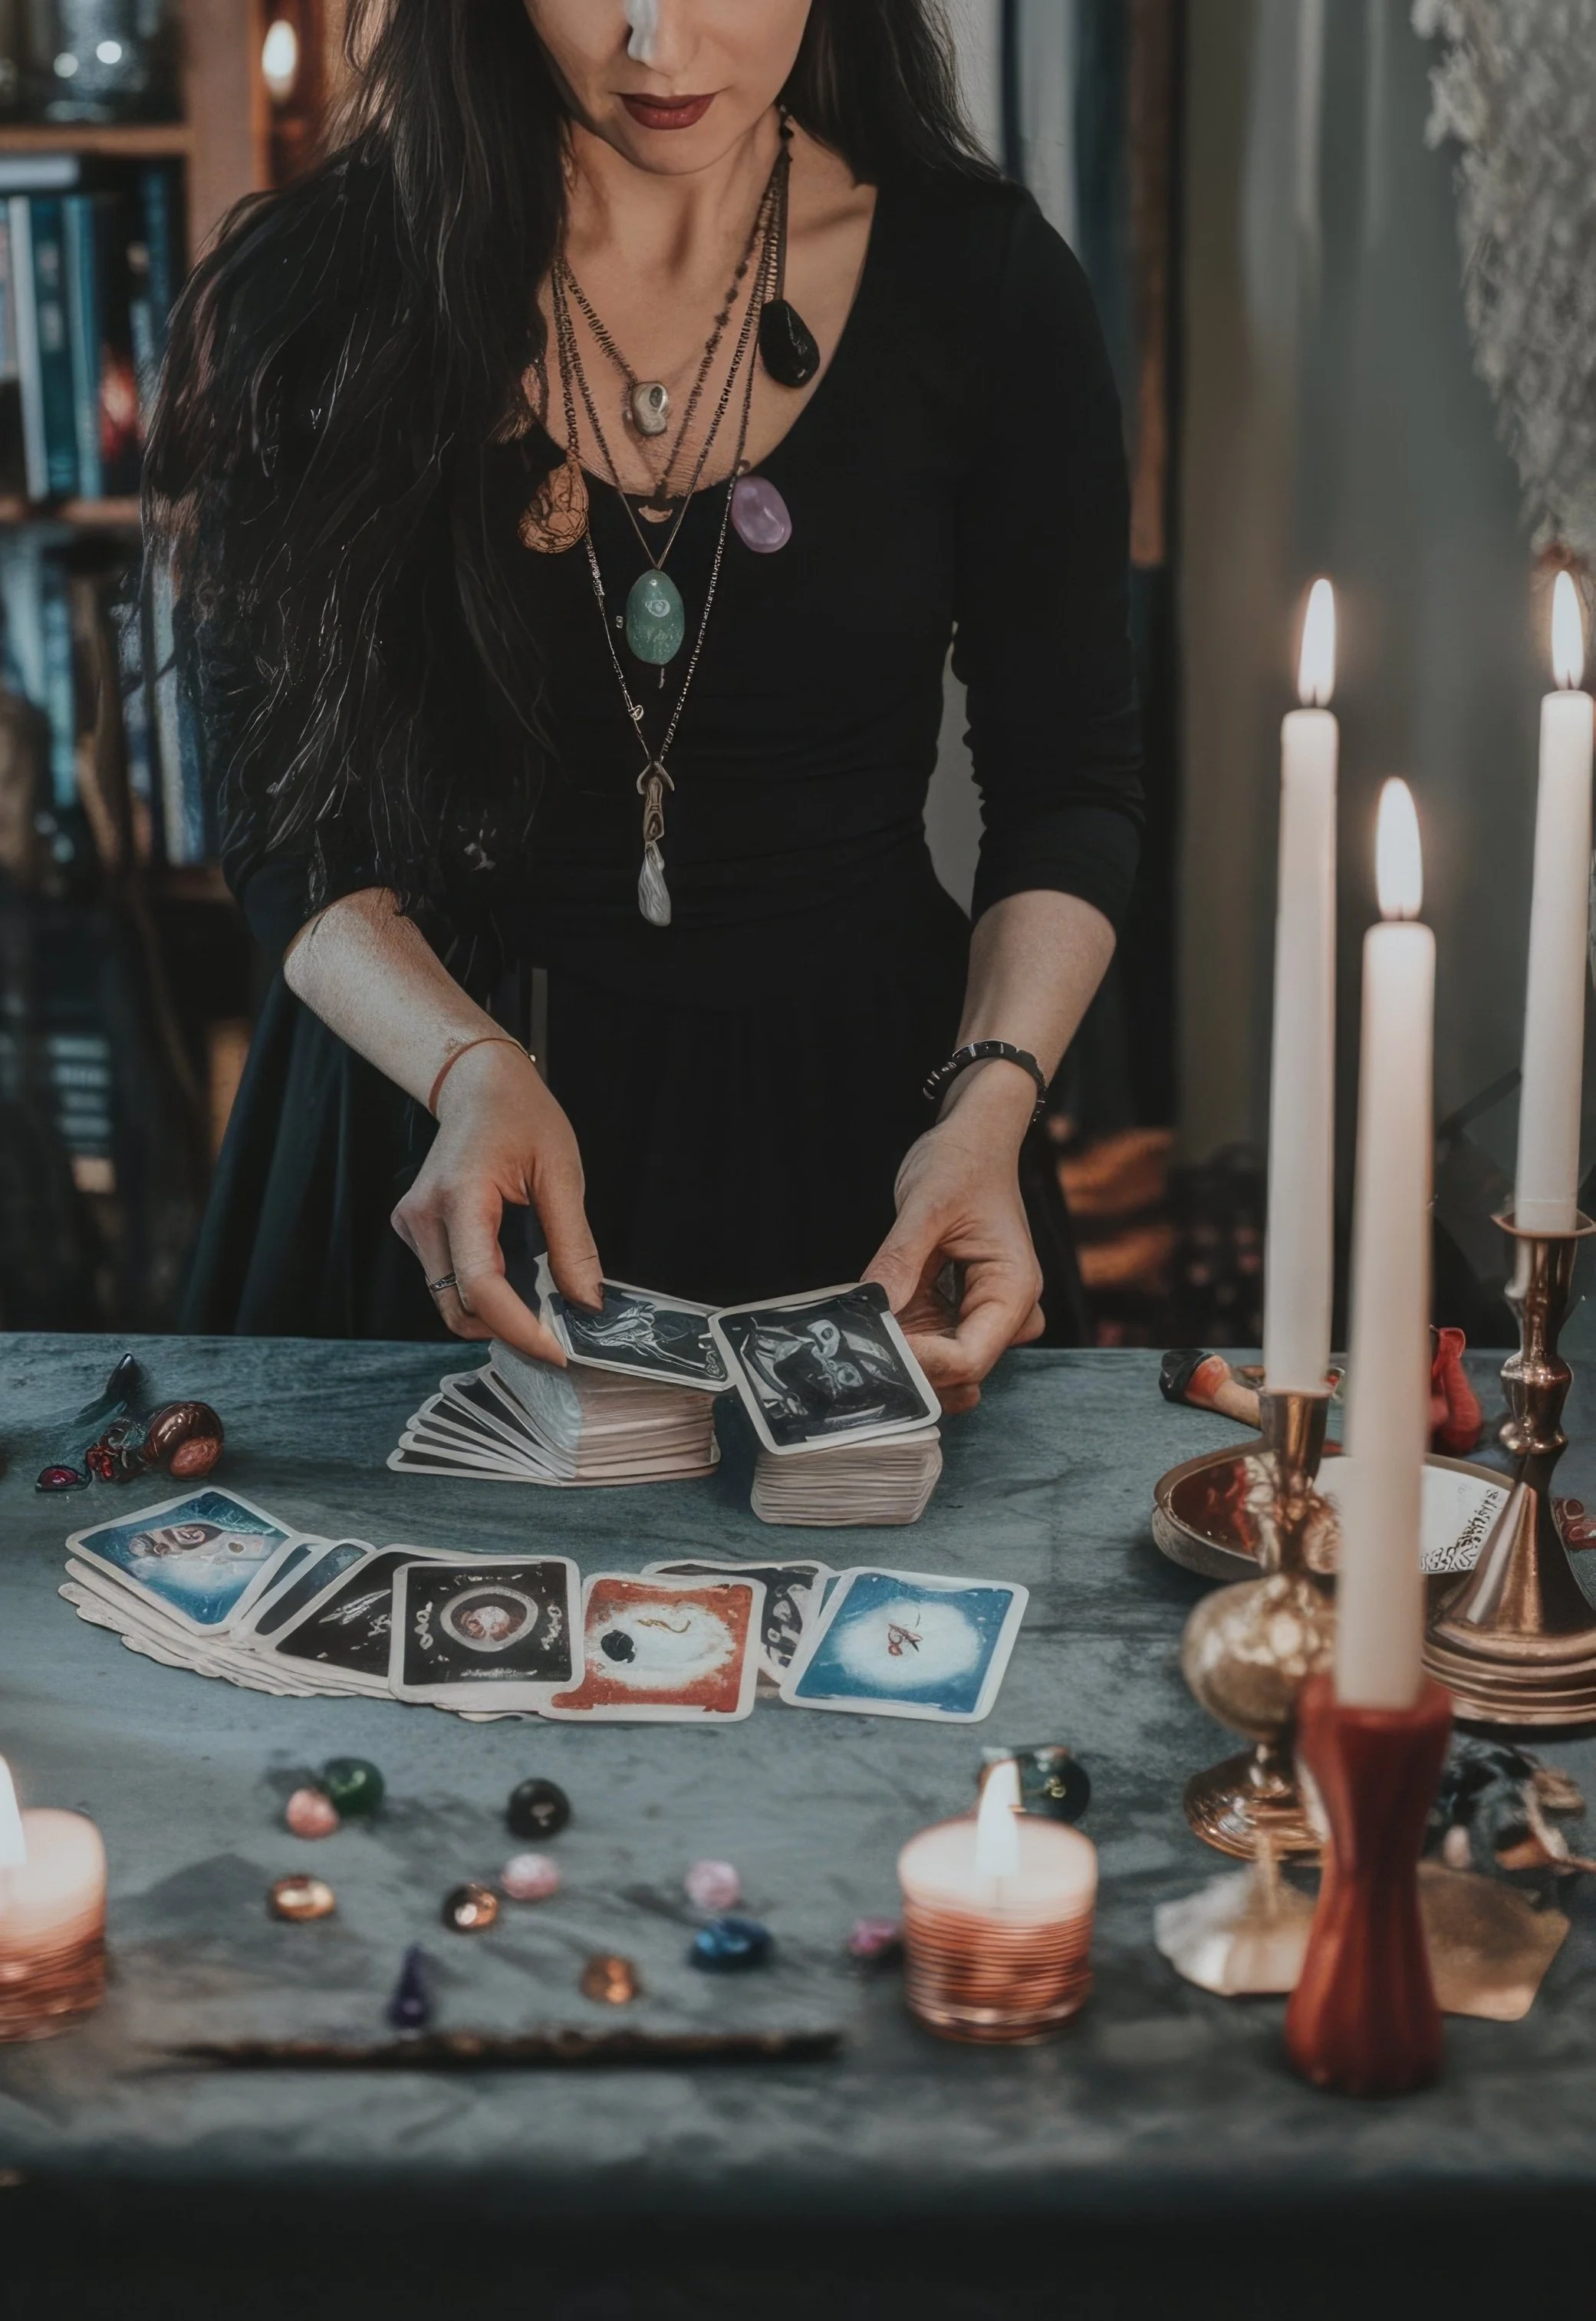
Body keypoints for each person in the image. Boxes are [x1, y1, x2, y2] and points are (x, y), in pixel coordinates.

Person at [152, 0, 1142, 1415]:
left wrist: (989, 1107)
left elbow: (1070, 785)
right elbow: (278, 825)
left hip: (869, 1144)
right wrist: (468, 1069)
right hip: (431, 1130)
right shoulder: (318, 291)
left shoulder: (988, 286)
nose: (656, 45)